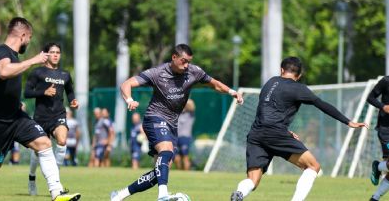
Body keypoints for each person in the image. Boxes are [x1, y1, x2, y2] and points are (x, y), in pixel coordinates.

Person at [0, 17, 80, 201]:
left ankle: (57, 193)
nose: (29, 41)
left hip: (16, 117)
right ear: (23, 35)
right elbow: (3, 72)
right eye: (29, 37)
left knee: (44, 143)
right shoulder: (1, 51)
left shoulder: (14, 56)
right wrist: (34, 60)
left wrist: (15, 103)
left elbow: (5, 86)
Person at [110, 44, 244, 201]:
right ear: (174, 57)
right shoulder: (157, 73)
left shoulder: (194, 71)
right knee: (166, 151)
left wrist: (231, 92)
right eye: (183, 61)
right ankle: (163, 196)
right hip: (155, 118)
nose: (186, 65)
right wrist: (130, 99)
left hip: (172, 124)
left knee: (160, 172)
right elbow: (126, 84)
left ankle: (119, 195)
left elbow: (214, 83)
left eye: (189, 61)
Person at [229, 57, 368, 201]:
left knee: (253, 180)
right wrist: (348, 121)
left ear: (282, 70)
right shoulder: (298, 88)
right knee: (313, 166)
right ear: (299, 75)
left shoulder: (270, 82)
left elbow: (265, 112)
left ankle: (239, 193)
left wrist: (286, 131)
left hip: (256, 134)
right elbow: (321, 104)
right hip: (276, 134)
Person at [24, 42, 79, 196]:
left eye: (58, 52)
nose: (55, 55)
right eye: (52, 52)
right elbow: (27, 93)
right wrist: (43, 92)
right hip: (40, 117)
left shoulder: (65, 75)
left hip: (58, 115)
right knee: (38, 152)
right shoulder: (38, 73)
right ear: (46, 54)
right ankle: (32, 177)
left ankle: (55, 179)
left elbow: (70, 92)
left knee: (62, 141)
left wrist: (73, 101)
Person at [368, 76, 389, 201]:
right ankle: (378, 167)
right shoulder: (386, 81)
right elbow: (370, 98)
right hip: (386, 130)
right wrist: (383, 106)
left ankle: (375, 198)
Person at [174, 99, 195, 171]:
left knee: (185, 156)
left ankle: (186, 172)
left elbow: (191, 104)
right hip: (176, 137)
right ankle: (180, 171)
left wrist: (183, 97)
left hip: (185, 137)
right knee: (176, 157)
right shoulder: (176, 113)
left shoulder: (190, 113)